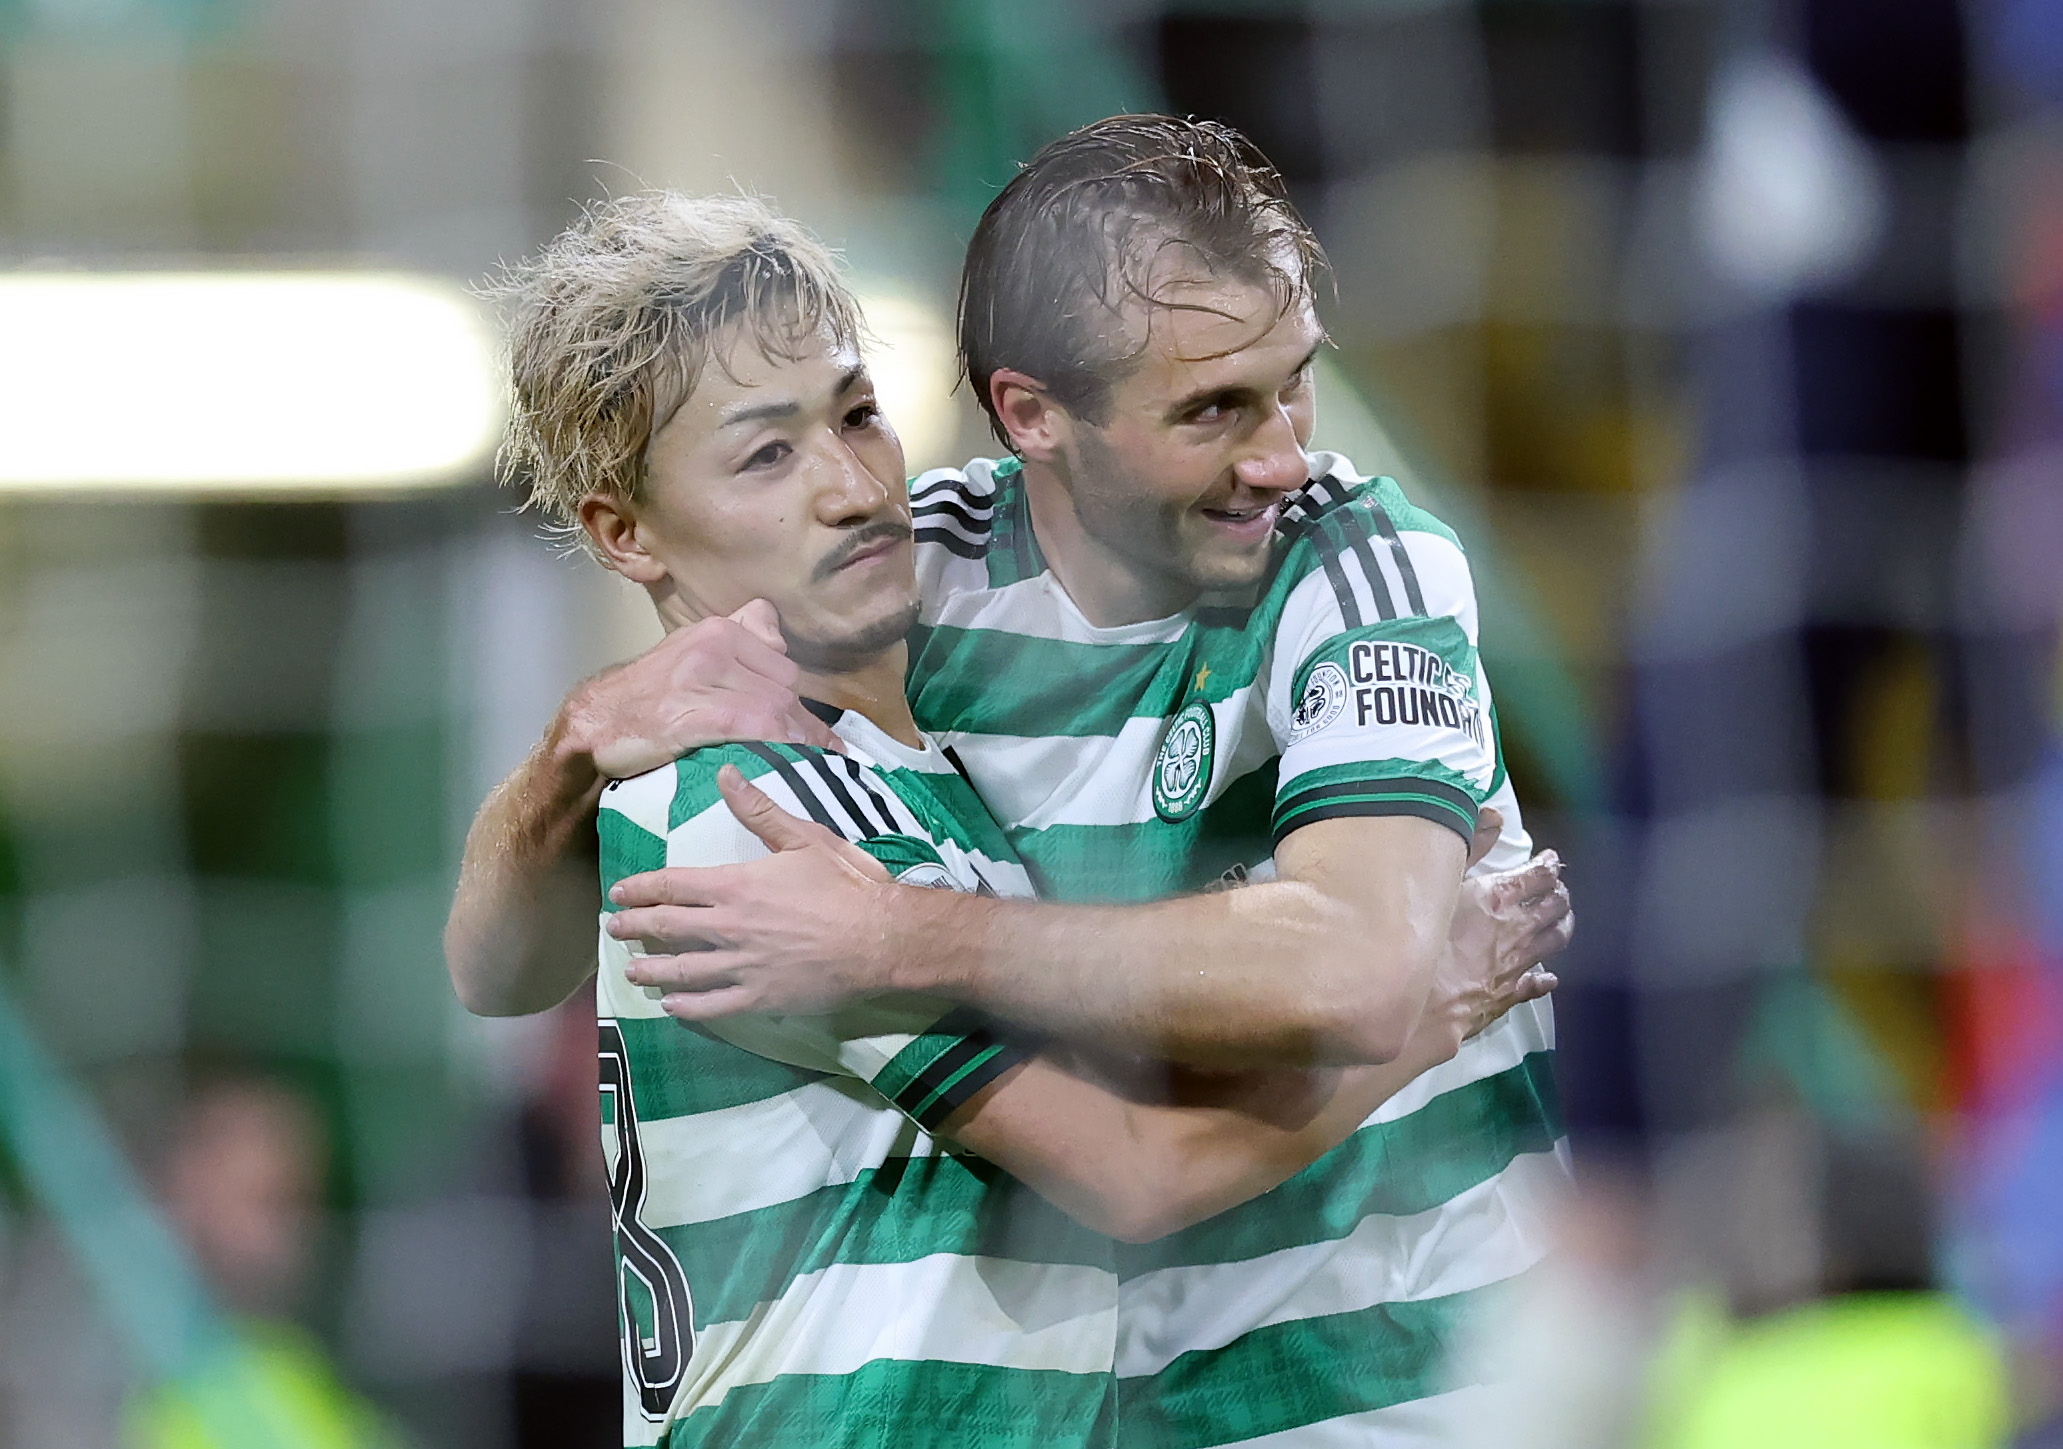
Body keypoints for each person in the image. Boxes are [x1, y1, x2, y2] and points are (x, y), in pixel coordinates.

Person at [472, 188, 1570, 1448]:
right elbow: (1133, 1168)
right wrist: (1422, 1014)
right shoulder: (767, 812)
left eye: (857, 414)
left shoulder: (892, 756)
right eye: (767, 454)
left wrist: (897, 930)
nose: (847, 485)